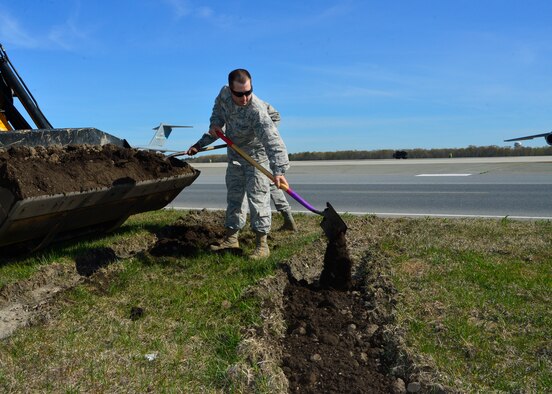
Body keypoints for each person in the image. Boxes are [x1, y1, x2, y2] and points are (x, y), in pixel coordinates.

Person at [186, 69, 291, 259]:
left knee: (258, 197)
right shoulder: (224, 95)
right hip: (235, 152)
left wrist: (278, 170)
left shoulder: (256, 110)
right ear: (231, 90)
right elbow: (217, 116)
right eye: (239, 94)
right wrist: (204, 138)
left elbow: (272, 140)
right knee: (235, 195)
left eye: (248, 92)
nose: (244, 98)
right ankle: (231, 238)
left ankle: (262, 244)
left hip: (256, 154)